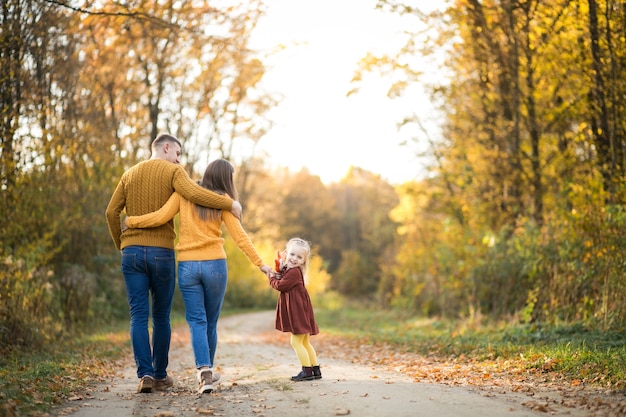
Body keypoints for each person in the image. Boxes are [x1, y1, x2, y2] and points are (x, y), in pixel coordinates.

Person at [105, 133, 243, 394]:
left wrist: (121, 244)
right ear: (166, 148)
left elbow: (111, 212)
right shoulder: (174, 172)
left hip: (131, 252)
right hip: (162, 252)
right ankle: (159, 374)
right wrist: (229, 203)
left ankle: (144, 374)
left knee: (137, 316)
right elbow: (196, 193)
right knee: (160, 316)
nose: (179, 159)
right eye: (178, 153)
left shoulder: (129, 174)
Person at [124, 158, 273, 394]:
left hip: (188, 266)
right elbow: (240, 236)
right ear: (226, 179)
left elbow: (160, 217)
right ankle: (207, 375)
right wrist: (261, 264)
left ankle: (204, 370)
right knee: (210, 322)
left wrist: (132, 221)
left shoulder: (184, 194)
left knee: (196, 321)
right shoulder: (223, 201)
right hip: (215, 265)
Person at [268, 238, 321, 381]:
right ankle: (315, 370)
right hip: (301, 310)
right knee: (304, 342)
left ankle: (307, 371)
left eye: (299, 257)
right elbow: (283, 275)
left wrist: (271, 278)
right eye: (292, 254)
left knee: (296, 342)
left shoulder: (294, 272)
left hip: (298, 312)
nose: (294, 259)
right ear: (286, 254)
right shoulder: (291, 271)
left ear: (304, 260)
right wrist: (279, 269)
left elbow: (280, 286)